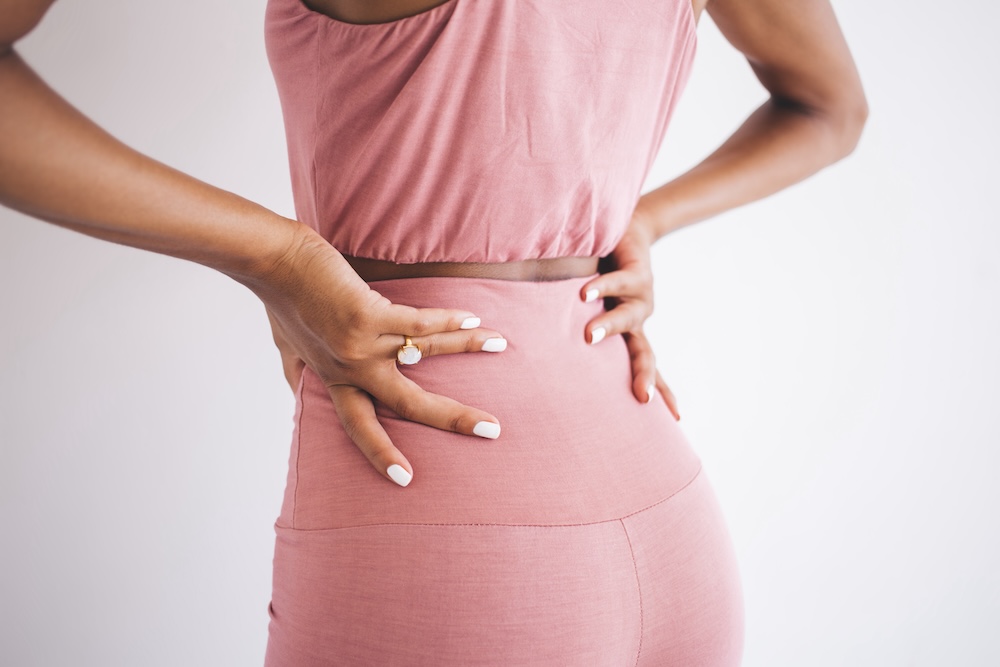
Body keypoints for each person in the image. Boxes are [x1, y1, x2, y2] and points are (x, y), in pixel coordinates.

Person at [0, 0, 867, 664]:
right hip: (663, 502)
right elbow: (832, 107)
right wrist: (642, 220)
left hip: (435, 498)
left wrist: (278, 258)